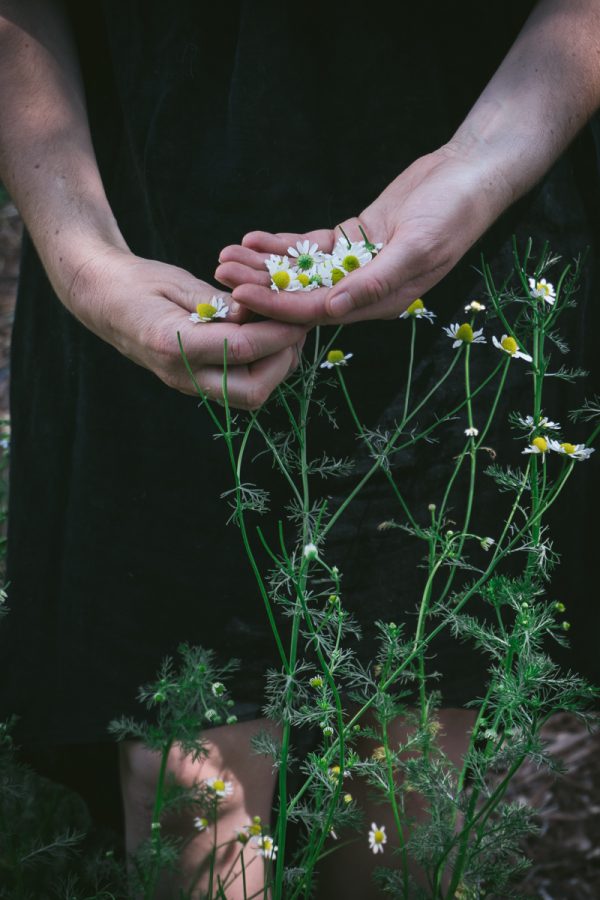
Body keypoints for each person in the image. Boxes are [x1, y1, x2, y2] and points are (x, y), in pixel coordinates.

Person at [0, 1, 599, 897]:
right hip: (147, 246)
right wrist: (87, 260)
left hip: (459, 286)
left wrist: (472, 170)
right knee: (189, 795)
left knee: (397, 772)